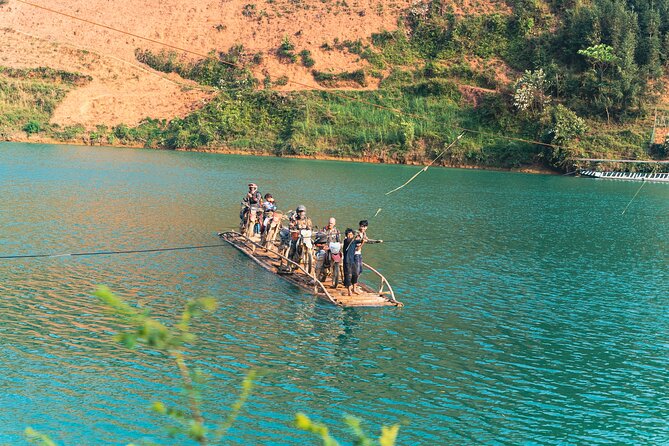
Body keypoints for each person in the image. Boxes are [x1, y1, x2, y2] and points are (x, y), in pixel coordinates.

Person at [349, 220, 383, 294]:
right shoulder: (356, 234)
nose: (362, 228)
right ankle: (354, 288)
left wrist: (377, 241)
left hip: (359, 254)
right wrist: (362, 242)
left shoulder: (364, 233)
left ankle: (354, 283)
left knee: (360, 270)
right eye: (361, 226)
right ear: (359, 226)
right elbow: (357, 247)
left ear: (366, 227)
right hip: (354, 254)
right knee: (356, 272)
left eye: (364, 226)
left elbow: (368, 240)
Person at [342, 228, 361, 296]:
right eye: (348, 234)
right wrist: (356, 239)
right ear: (346, 235)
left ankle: (354, 289)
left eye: (351, 234)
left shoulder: (354, 241)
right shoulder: (346, 241)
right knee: (348, 275)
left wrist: (363, 240)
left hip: (352, 260)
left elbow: (359, 241)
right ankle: (349, 291)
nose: (350, 236)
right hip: (347, 261)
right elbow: (351, 241)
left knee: (355, 274)